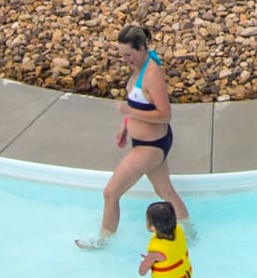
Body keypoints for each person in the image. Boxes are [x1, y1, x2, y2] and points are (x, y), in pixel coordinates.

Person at [77, 24, 189, 251]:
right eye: (121, 55)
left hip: (151, 146)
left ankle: (103, 241)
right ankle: (191, 233)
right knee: (165, 192)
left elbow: (165, 115)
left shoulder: (152, 74)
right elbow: (137, 101)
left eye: (128, 55)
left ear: (141, 48)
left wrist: (129, 113)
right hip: (144, 142)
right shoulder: (140, 67)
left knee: (110, 193)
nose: (125, 59)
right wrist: (125, 125)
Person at [140, 199, 189, 278]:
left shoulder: (155, 253)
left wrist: (146, 261)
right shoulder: (179, 232)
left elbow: (141, 272)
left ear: (153, 227)